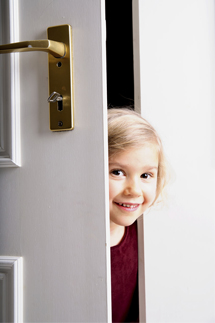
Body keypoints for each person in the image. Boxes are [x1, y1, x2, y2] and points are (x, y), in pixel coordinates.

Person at [108, 108, 168, 322]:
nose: (134, 189)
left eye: (145, 175)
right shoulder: (71, 241)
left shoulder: (142, 235)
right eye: (117, 172)